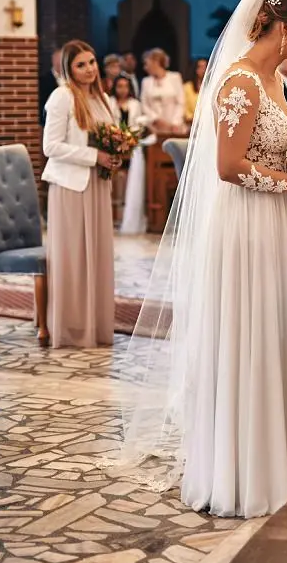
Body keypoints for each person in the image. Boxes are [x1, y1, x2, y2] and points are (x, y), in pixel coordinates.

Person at [109, 0, 287, 519]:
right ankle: (240, 471)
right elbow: (229, 168)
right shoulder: (238, 82)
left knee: (275, 333)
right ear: (283, 29)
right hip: (245, 225)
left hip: (274, 222)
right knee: (247, 333)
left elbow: (273, 151)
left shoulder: (278, 80)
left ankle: (280, 461)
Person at [41, 40, 120, 349]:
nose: (89, 69)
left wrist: (114, 155)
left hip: (98, 185)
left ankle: (97, 327)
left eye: (91, 62)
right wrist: (93, 156)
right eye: (81, 65)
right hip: (70, 187)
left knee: (97, 256)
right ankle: (72, 329)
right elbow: (51, 147)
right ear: (68, 70)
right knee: (73, 258)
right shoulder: (61, 97)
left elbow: (110, 140)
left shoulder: (103, 99)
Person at [110, 73, 149, 235]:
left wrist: (129, 137)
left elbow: (139, 123)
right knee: (113, 180)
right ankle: (112, 217)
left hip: (131, 145)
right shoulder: (109, 102)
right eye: (119, 86)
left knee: (128, 179)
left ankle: (128, 215)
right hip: (112, 144)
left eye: (125, 86)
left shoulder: (135, 104)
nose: (122, 90)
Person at [139, 48, 187, 135]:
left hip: (174, 127)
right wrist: (155, 119)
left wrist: (175, 123)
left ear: (156, 62)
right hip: (154, 127)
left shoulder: (175, 77)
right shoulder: (146, 81)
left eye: (147, 63)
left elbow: (181, 102)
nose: (145, 68)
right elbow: (144, 104)